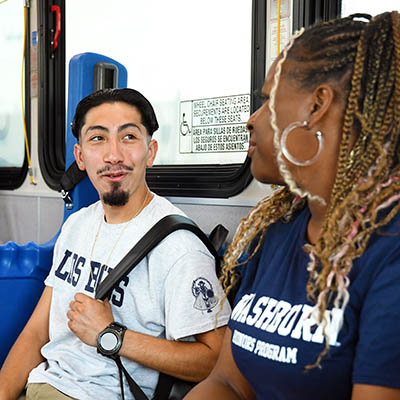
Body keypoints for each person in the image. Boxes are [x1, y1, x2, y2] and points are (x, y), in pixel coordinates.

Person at [185, 11, 400, 400]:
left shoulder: (390, 249)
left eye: (267, 100)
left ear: (317, 105)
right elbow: (229, 382)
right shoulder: (276, 232)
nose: (251, 121)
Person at [0, 88, 231, 400]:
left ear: (151, 151)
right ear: (80, 157)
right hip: (41, 385)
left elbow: (217, 362)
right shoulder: (76, 225)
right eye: (98, 139)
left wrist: (112, 336)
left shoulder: (180, 248)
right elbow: (36, 332)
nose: (113, 155)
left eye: (129, 137)